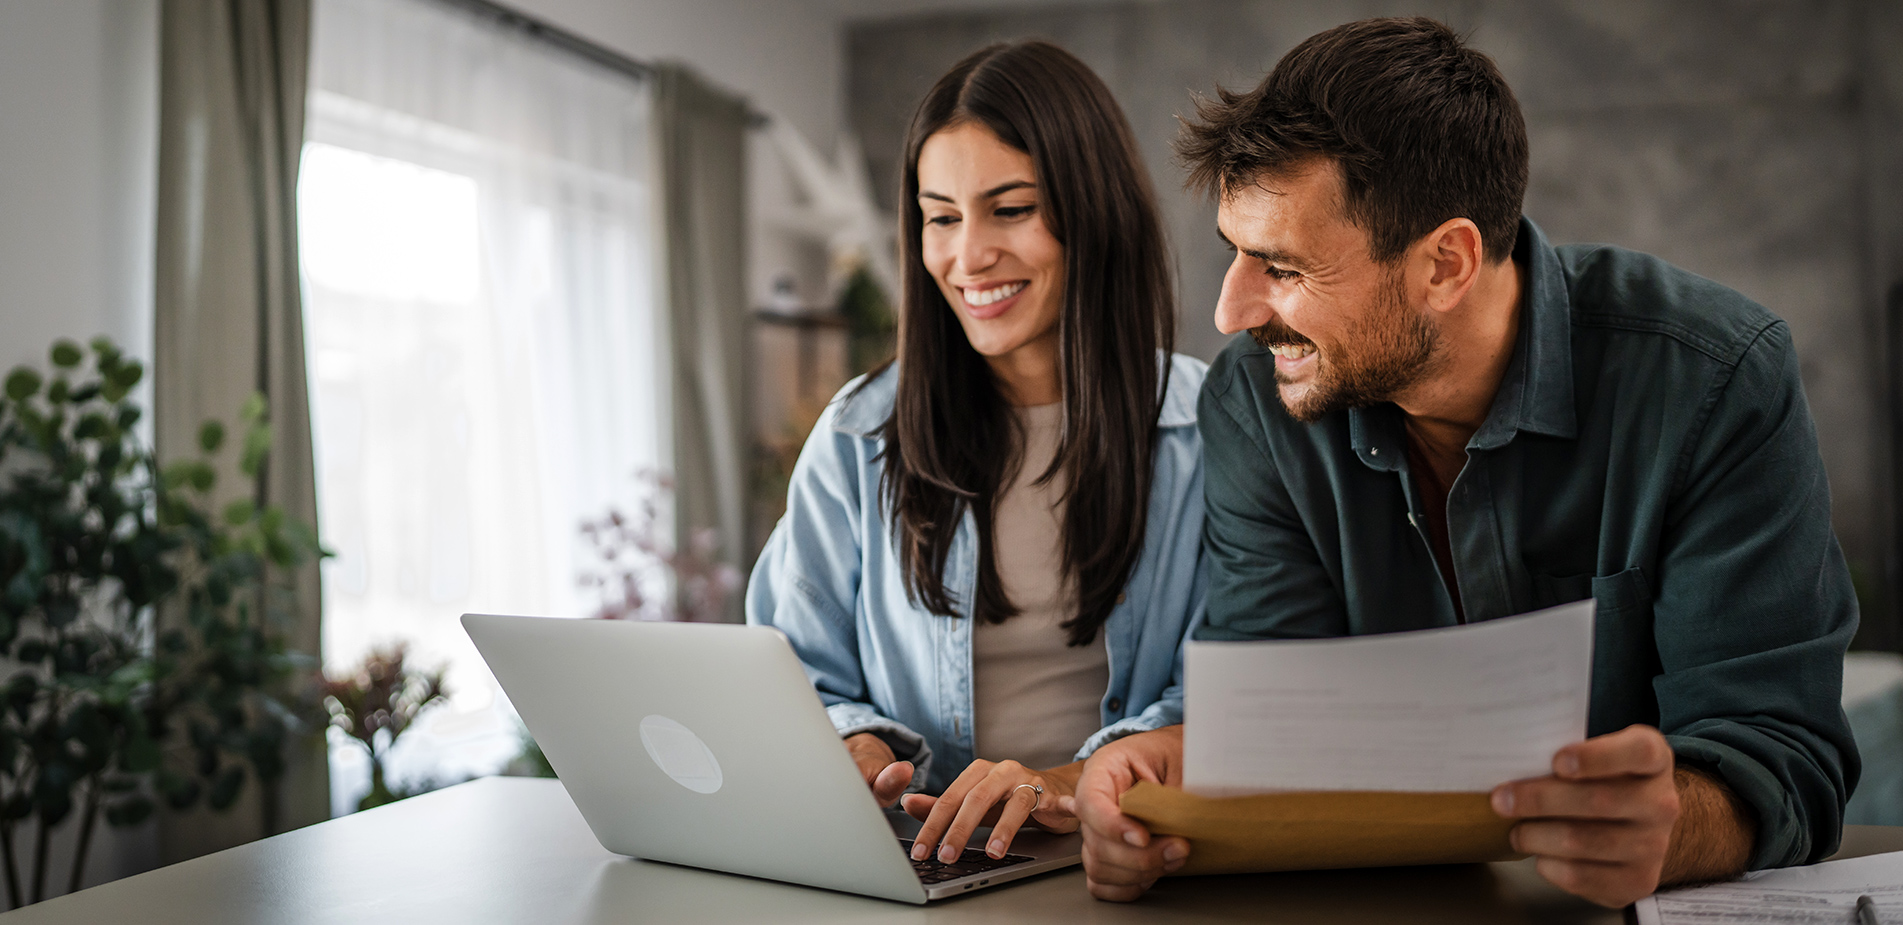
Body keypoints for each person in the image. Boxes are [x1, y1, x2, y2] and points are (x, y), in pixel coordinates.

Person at [1065, 17, 1859, 909]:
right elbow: (1279, 721)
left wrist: (1671, 824)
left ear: (1446, 262)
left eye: (1280, 267)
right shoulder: (1256, 405)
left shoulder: (1714, 380)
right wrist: (1161, 778)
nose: (1229, 312)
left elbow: (1783, 754)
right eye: (1233, 253)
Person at [747, 41, 1207, 867]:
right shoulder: (858, 437)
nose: (968, 256)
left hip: (1120, 857)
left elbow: (1233, 694)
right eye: (942, 216)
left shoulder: (1206, 435)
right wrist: (850, 744)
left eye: (1011, 208)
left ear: (1091, 210)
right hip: (919, 863)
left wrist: (1068, 779)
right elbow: (790, 672)